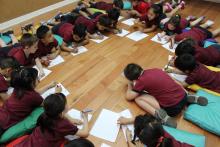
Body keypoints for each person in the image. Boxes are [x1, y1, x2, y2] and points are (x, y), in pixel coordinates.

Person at [123, 63, 208, 128]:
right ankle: (188, 97)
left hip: (172, 109)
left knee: (138, 98)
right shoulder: (156, 70)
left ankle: (161, 117)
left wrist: (130, 84)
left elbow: (128, 97)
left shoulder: (140, 82)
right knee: (168, 86)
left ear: (133, 79)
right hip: (182, 96)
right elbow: (174, 81)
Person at [15, 93, 89, 147]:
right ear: (61, 111)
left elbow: (59, 113)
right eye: (66, 103)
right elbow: (85, 133)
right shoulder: (63, 124)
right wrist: (85, 118)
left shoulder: (45, 115)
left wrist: (71, 118)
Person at [0, 67, 58, 136]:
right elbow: (47, 104)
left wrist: (49, 86)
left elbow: (35, 93)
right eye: (37, 78)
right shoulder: (33, 96)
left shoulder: (18, 89)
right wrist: (57, 93)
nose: (39, 80)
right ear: (31, 82)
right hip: (4, 124)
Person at [118, 114, 193, 147]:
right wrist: (129, 120)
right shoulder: (162, 133)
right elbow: (148, 123)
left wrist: (128, 137)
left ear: (142, 141)